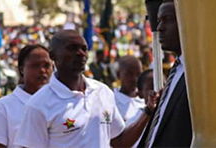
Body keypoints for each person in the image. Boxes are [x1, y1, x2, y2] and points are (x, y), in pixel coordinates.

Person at [14, 30, 143, 147]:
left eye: (84, 49)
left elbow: (119, 142)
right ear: (53, 55)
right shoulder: (38, 105)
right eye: (72, 48)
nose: (80, 53)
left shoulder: (103, 92)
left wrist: (148, 112)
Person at [138, 0, 193, 147]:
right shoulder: (176, 72)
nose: (160, 27)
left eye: (167, 19)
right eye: (158, 21)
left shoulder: (199, 74)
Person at [0, 44, 52, 147]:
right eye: (35, 65)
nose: (42, 70)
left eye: (47, 65)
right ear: (22, 69)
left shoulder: (60, 103)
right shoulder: (3, 108)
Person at [114, 55, 145, 121]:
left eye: (138, 74)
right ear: (118, 75)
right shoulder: (112, 102)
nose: (135, 79)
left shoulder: (146, 99)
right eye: (129, 74)